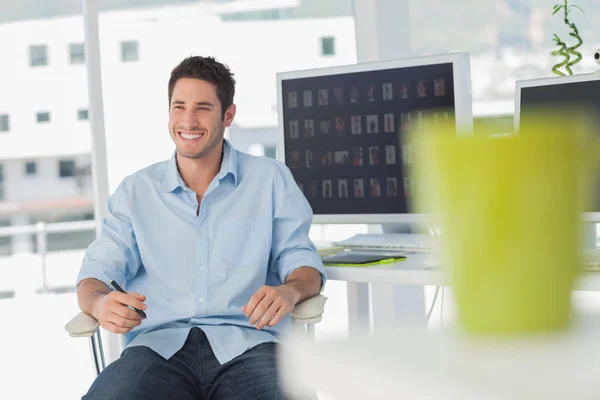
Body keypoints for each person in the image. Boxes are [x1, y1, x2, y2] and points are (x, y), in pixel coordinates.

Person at [75, 56, 326, 400]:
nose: (188, 120)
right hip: (156, 350)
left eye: (203, 108)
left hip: (250, 346)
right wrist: (100, 304)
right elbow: (95, 274)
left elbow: (302, 261)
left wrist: (291, 291)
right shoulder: (135, 191)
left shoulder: (270, 179)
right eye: (179, 107)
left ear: (228, 115)